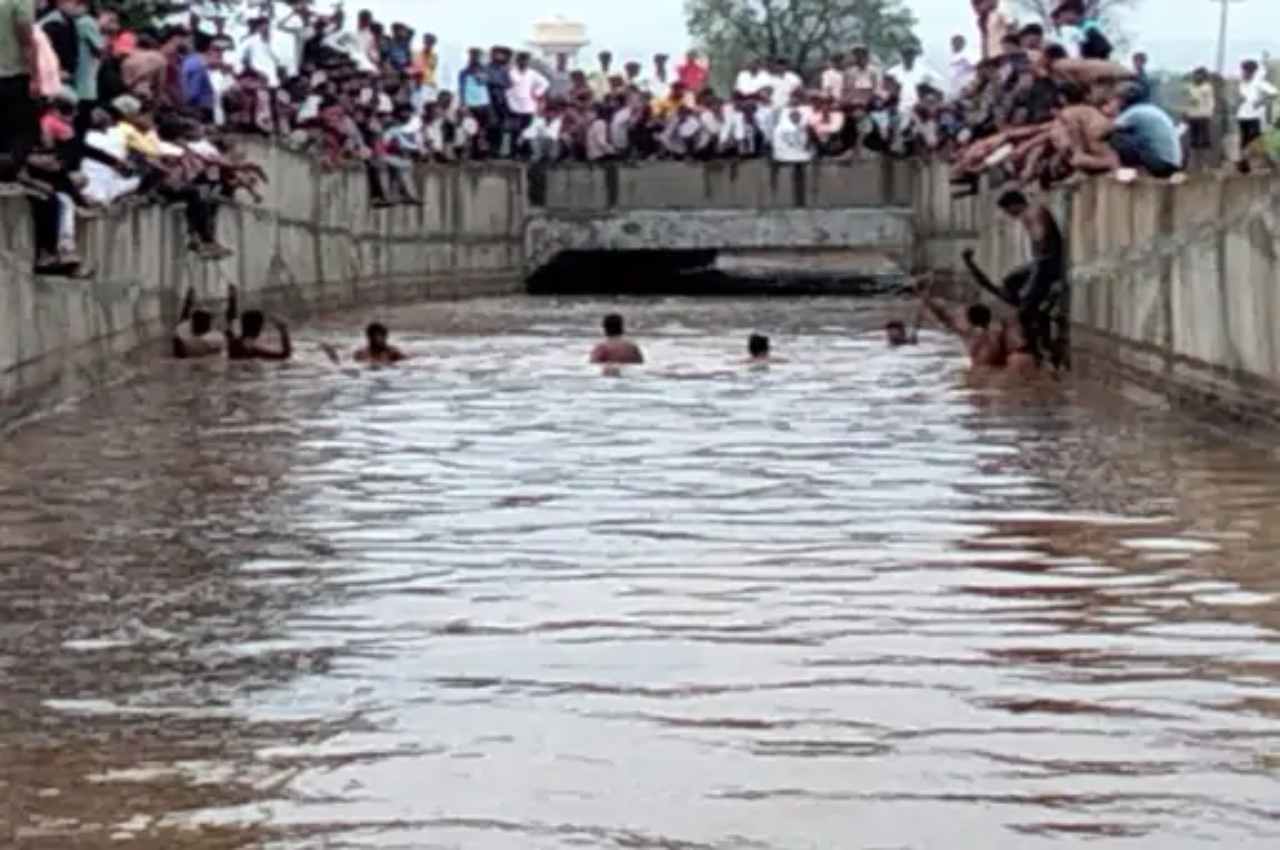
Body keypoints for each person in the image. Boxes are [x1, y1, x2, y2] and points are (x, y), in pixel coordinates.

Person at [1105, 84, 1184, 179]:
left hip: (1161, 164)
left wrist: (1109, 112)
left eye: (1117, 99)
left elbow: (1107, 129)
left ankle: (1118, 170)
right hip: (1172, 163)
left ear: (1122, 101)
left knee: (1116, 138)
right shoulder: (1148, 109)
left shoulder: (1134, 112)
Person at [225, 286, 292, 361]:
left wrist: (232, 299)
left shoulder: (232, 345)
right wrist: (283, 330)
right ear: (259, 329)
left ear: (243, 325)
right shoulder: (256, 353)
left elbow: (229, 323)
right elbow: (285, 355)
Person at [1237, 60, 1277, 173]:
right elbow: (1243, 98)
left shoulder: (1259, 82)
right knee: (1244, 140)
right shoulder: (1242, 83)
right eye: (1243, 70)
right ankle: (1244, 167)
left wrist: (1261, 102)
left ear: (1253, 72)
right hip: (1243, 116)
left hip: (1256, 117)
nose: (1244, 73)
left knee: (1256, 140)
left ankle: (1269, 162)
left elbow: (1274, 93)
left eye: (1246, 71)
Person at [172, 286, 222, 359]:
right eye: (192, 295)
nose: (194, 297)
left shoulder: (193, 307)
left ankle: (186, 347)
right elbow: (186, 316)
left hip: (192, 332)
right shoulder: (189, 307)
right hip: (192, 331)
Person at [1184, 67, 1215, 156]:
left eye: (1199, 75)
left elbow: (1209, 102)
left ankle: (1205, 160)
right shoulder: (1192, 87)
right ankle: (1194, 160)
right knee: (1193, 139)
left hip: (1203, 115)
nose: (1196, 77)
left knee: (1205, 139)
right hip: (1193, 115)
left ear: (1203, 76)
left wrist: (1209, 113)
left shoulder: (1207, 88)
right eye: (1195, 74)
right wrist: (1187, 112)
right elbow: (1190, 101)